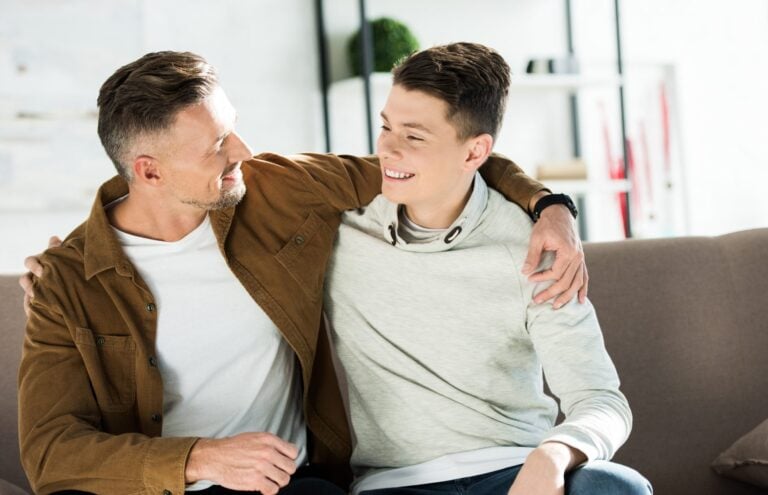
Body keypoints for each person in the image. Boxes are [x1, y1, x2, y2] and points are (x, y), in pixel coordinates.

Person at [16, 51, 585, 495]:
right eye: (218, 143)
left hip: (290, 488)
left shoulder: (275, 190)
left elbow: (440, 160)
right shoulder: (67, 280)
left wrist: (551, 206)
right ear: (149, 171)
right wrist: (201, 457)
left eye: (232, 127)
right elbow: (50, 452)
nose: (244, 149)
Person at [322, 42, 652, 495]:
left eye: (414, 137)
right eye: (385, 127)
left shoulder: (535, 247)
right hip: (396, 483)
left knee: (616, 487)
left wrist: (554, 454)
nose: (388, 150)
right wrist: (551, 201)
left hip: (516, 470)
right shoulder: (337, 229)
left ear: (476, 152)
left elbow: (602, 400)